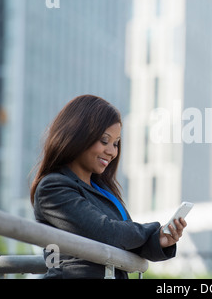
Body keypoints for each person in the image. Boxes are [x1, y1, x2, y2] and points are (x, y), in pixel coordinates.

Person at [30, 94, 187, 279]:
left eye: (116, 143)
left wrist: (159, 240)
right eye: (104, 141)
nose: (112, 151)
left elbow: (126, 241)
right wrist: (153, 229)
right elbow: (107, 233)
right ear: (78, 135)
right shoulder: (53, 188)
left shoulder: (104, 192)